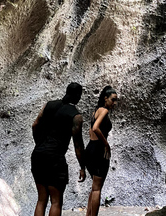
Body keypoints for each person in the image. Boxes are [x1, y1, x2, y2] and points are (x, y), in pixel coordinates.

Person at [31, 82, 86, 216]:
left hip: (38, 155)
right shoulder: (76, 116)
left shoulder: (48, 105)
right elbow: (78, 145)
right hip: (55, 158)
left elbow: (35, 125)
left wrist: (40, 144)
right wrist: (82, 167)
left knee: (41, 200)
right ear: (78, 96)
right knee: (56, 201)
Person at [85, 86, 118, 216]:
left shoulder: (96, 111)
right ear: (105, 98)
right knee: (97, 188)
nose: (114, 103)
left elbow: (90, 130)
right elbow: (95, 128)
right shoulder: (104, 111)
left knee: (94, 188)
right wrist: (106, 144)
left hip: (90, 148)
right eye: (113, 100)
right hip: (98, 150)